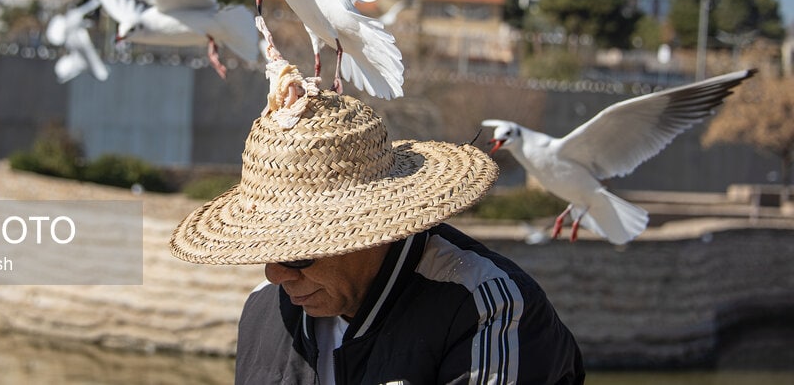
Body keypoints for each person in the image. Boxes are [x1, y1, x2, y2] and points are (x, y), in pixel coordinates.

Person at [170, 76, 584, 384]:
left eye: (295, 253)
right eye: (266, 248)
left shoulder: (485, 306)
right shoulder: (263, 313)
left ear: (374, 233)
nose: (274, 274)